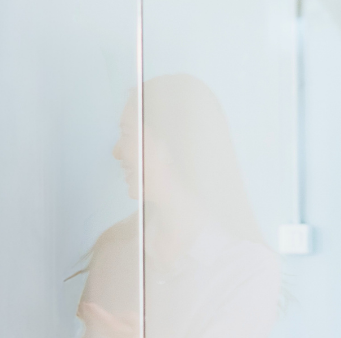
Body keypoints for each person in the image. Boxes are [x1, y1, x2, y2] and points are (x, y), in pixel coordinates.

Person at [75, 74, 281, 338]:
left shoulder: (247, 267)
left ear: (169, 146)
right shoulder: (115, 249)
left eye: (127, 134)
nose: (117, 150)